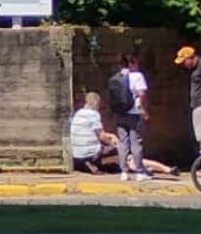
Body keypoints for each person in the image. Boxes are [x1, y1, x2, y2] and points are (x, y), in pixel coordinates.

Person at [70, 92, 179, 177]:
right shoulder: (93, 114)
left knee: (117, 158)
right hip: (92, 152)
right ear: (96, 103)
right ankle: (165, 169)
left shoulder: (78, 114)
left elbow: (94, 133)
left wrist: (112, 137)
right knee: (128, 157)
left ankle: (149, 169)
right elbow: (102, 136)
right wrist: (115, 144)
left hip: (78, 154)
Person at [115, 54, 150, 182]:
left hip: (120, 113)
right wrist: (144, 110)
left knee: (123, 142)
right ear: (132, 64)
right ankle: (139, 172)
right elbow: (141, 94)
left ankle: (124, 172)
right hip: (134, 112)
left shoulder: (118, 76)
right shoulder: (137, 76)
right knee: (136, 142)